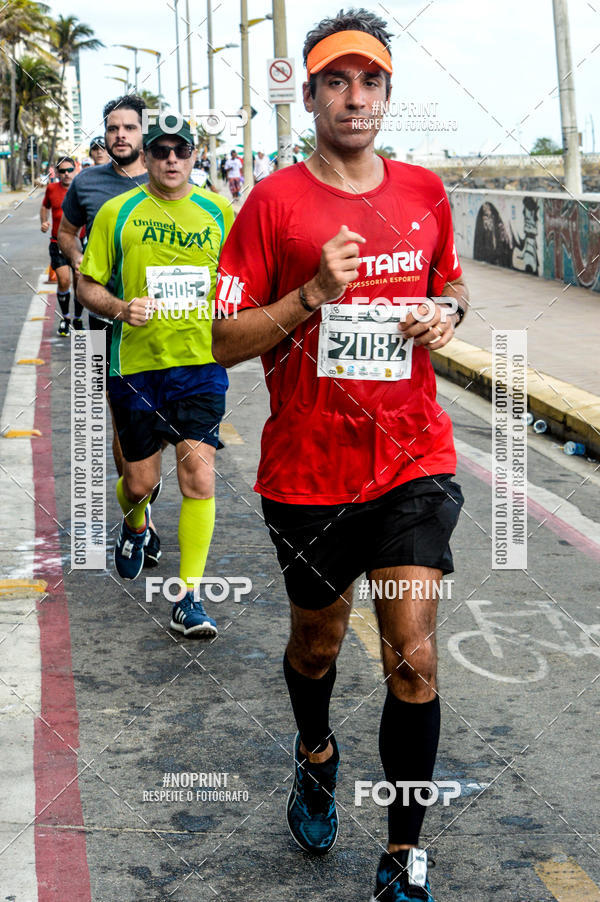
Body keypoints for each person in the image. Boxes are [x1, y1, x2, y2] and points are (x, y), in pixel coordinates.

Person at [213, 9, 469, 901]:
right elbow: (223, 339)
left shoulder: (427, 192)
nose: (353, 98)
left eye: (369, 82)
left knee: (413, 657)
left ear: (387, 94)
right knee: (318, 647)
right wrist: (313, 293)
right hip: (309, 473)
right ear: (312, 94)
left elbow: (454, 288)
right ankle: (316, 750)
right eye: (335, 82)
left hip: (412, 464)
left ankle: (403, 854)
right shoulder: (272, 203)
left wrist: (448, 316)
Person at [78, 115, 233, 639]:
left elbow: (242, 282)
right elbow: (86, 285)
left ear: (195, 156)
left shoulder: (218, 211)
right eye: (161, 151)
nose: (171, 160)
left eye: (181, 151)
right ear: (145, 155)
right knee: (140, 482)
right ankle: (135, 521)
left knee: (200, 476)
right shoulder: (118, 213)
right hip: (136, 368)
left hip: (198, 365)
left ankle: (190, 599)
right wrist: (121, 308)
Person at [57, 96, 161, 566]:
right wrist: (82, 267)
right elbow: (65, 233)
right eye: (113, 128)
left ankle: (139, 505)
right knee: (124, 423)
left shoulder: (165, 177)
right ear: (105, 133)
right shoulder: (86, 182)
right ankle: (142, 518)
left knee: (162, 422)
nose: (121, 135)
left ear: (143, 133)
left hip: (162, 325)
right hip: (102, 320)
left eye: (130, 127)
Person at [40, 156, 83, 335]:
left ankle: (78, 319)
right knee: (64, 280)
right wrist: (44, 222)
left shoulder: (82, 188)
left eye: (69, 170)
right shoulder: (51, 189)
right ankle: (65, 318)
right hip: (57, 242)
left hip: (80, 243)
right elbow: (45, 207)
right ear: (57, 173)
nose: (66, 174)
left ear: (75, 170)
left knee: (79, 283)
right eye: (62, 171)